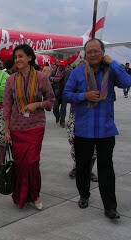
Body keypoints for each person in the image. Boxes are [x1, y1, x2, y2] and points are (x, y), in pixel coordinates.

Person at [63, 38, 131, 219]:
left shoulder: (110, 71)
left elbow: (126, 82)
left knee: (106, 168)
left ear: (103, 53)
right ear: (85, 54)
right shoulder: (78, 73)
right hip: (84, 129)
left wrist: (113, 63)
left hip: (105, 129)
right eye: (89, 52)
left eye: (96, 51)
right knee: (83, 166)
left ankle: (110, 206)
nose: (92, 55)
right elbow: (66, 94)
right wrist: (83, 95)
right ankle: (84, 195)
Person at [3, 44, 55, 209]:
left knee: (32, 162)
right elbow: (7, 106)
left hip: (35, 126)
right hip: (16, 127)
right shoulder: (10, 80)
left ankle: (35, 195)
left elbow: (51, 100)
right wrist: (6, 130)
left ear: (30, 58)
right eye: (16, 57)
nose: (17, 60)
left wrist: (37, 104)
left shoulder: (41, 78)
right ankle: (20, 195)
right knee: (20, 163)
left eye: (21, 56)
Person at [67, 59, 98, 182]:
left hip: (92, 116)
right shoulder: (73, 81)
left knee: (93, 146)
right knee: (74, 143)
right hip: (75, 115)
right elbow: (67, 95)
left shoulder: (96, 82)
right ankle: (77, 167)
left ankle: (89, 171)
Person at [49, 59, 71, 128]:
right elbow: (49, 77)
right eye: (60, 65)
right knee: (55, 107)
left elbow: (72, 81)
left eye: (63, 66)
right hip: (56, 92)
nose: (61, 67)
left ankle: (62, 122)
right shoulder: (55, 71)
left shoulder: (68, 72)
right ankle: (57, 117)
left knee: (63, 108)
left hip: (65, 93)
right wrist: (54, 79)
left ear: (66, 66)